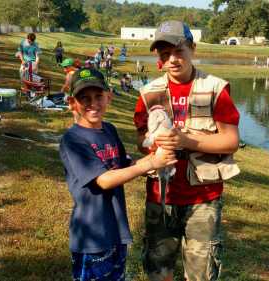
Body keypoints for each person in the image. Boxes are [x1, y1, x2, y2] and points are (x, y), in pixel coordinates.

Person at [133, 20, 240, 281]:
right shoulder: (148, 94)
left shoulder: (215, 89)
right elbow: (140, 140)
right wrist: (155, 142)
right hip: (160, 197)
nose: (172, 59)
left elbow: (230, 141)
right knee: (159, 271)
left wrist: (185, 141)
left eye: (178, 51)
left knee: (201, 273)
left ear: (192, 48)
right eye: (164, 54)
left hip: (203, 198)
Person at [59, 68, 176, 281]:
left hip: (116, 229)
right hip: (92, 235)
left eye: (98, 96)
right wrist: (149, 162)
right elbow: (104, 180)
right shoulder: (73, 140)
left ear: (109, 97)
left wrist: (153, 163)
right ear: (72, 103)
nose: (92, 103)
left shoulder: (110, 130)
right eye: (84, 98)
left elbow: (123, 165)